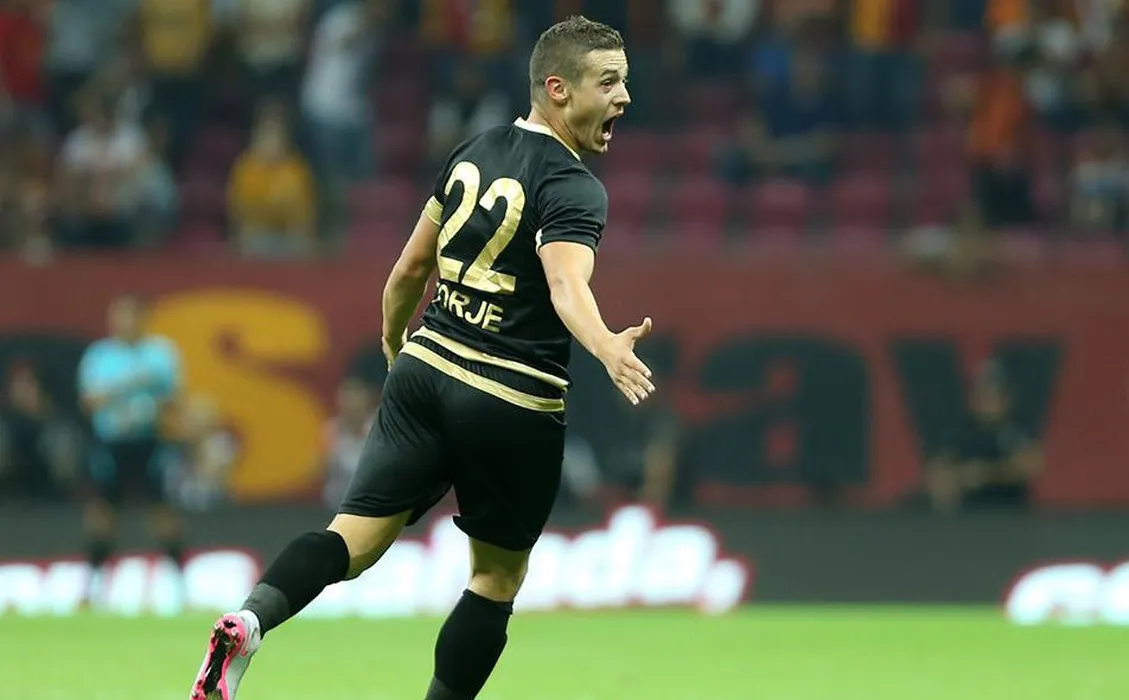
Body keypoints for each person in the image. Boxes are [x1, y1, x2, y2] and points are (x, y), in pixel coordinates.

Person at [190, 15, 650, 700]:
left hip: (424, 368)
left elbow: (409, 269)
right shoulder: (574, 186)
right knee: (494, 578)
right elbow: (564, 283)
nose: (624, 97)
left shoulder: (473, 151)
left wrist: (393, 339)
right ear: (557, 89)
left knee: (350, 539)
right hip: (509, 396)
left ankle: (250, 621)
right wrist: (606, 343)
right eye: (608, 82)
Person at [77, 293, 183, 605]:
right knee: (101, 514)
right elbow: (89, 401)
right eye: (118, 316)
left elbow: (174, 398)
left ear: (141, 319)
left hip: (149, 440)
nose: (123, 323)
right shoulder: (100, 356)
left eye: (129, 316)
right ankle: (92, 588)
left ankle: (180, 587)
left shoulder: (160, 354)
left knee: (162, 512)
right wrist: (130, 385)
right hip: (112, 443)